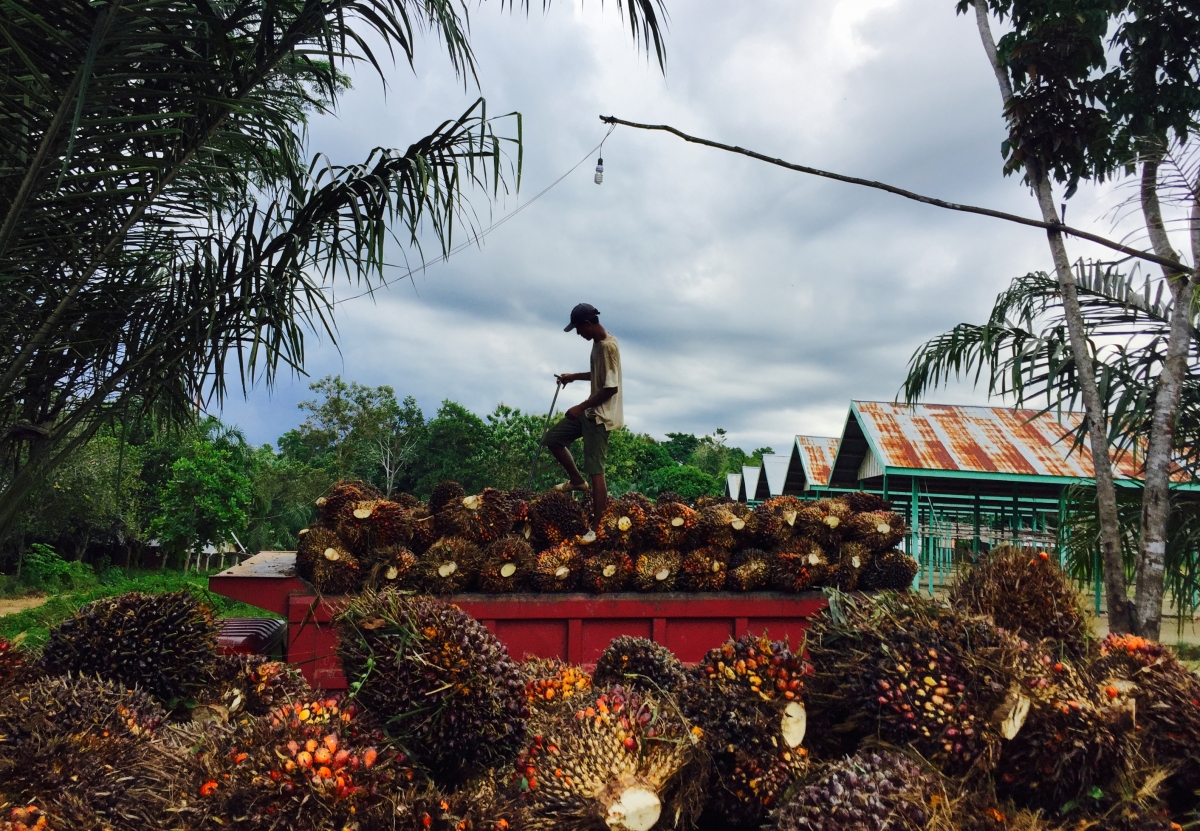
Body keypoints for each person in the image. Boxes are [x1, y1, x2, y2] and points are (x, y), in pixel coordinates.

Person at [543, 302, 623, 530]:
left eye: (578, 329)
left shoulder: (608, 347)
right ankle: (577, 481)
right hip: (590, 412)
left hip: (601, 417)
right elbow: (599, 374)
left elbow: (610, 388)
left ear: (588, 324)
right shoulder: (598, 344)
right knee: (553, 439)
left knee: (596, 470)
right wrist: (573, 376)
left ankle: (597, 526)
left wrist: (580, 406)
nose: (578, 333)